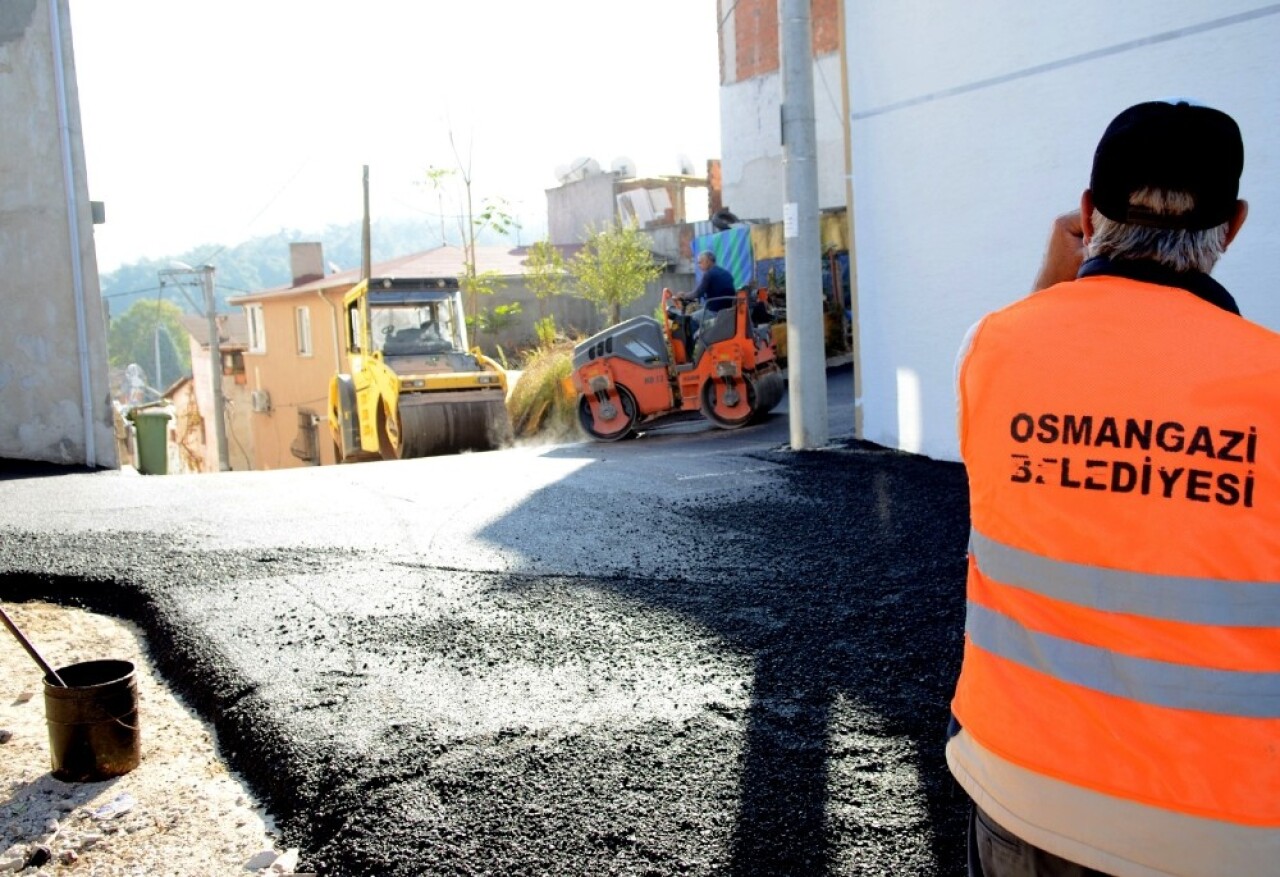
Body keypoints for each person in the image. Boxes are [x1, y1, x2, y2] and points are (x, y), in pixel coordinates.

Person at [948, 99, 1280, 877]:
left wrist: (1050, 283)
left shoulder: (992, 348)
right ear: (1232, 225)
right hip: (1219, 829)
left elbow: (1018, 363)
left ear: (1089, 214)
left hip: (1020, 796)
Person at [675, 250, 738, 343]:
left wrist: (683, 296)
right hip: (727, 312)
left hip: (714, 312)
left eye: (700, 262)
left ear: (708, 261)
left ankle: (690, 349)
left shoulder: (709, 274)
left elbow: (697, 293)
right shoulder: (726, 273)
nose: (699, 265)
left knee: (689, 320)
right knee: (698, 313)